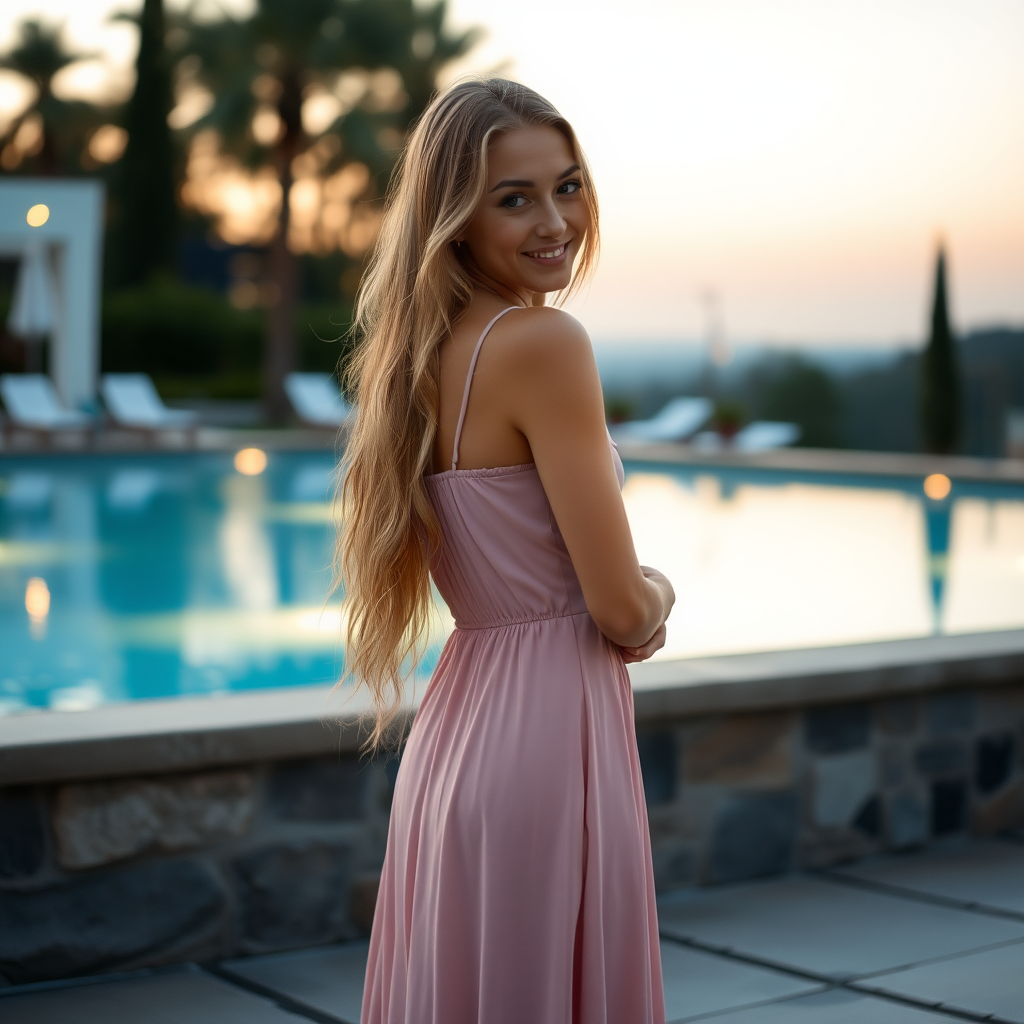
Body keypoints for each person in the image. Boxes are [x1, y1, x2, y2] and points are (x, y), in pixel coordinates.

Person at [338, 77, 675, 1024]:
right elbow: (618, 610)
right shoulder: (544, 343)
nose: (555, 221)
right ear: (454, 216)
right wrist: (660, 589)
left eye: (566, 186)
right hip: (549, 740)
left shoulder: (420, 355)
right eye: (513, 197)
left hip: (457, 744)